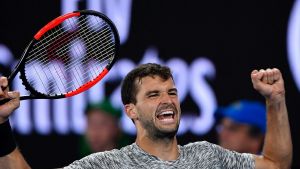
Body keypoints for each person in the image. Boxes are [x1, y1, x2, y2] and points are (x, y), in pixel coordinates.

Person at [0, 63, 292, 169]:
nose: (168, 101)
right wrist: (1, 126)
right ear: (131, 111)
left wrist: (276, 102)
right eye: (153, 95)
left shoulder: (209, 157)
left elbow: (277, 164)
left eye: (172, 92)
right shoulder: (108, 165)